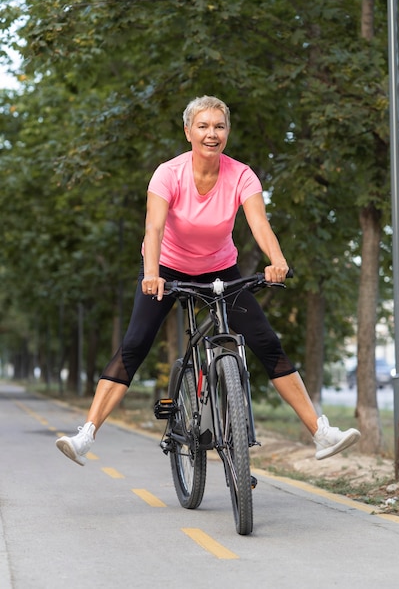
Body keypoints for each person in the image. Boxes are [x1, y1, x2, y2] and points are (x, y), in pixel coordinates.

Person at [56, 95, 360, 466]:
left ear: (227, 132)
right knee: (134, 345)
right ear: (188, 132)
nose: (211, 133)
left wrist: (277, 261)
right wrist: (151, 273)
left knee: (266, 342)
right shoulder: (168, 173)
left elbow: (259, 224)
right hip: (165, 267)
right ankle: (86, 434)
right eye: (203, 126)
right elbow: (153, 227)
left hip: (220, 269)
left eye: (219, 126)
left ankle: (321, 433)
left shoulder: (242, 174)